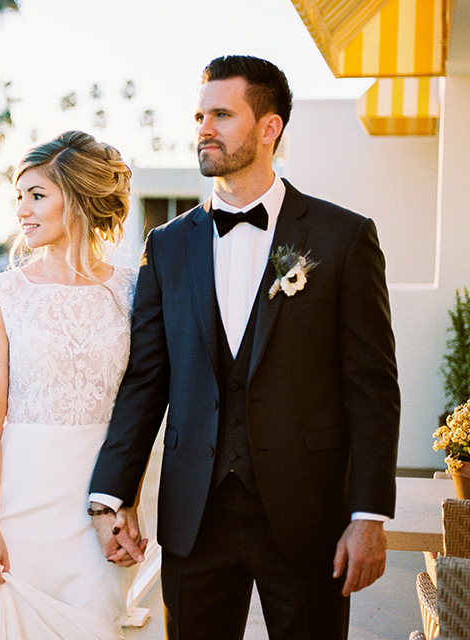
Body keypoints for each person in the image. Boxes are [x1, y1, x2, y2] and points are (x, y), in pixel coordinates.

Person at [88, 55, 400, 640]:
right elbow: (145, 381)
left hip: (307, 516)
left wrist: (368, 515)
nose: (204, 128)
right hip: (193, 517)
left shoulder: (342, 237)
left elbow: (373, 388)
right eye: (200, 115)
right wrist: (112, 494)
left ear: (268, 128)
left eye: (222, 114)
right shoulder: (168, 245)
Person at [0, 130, 142, 639]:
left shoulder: (132, 290)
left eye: (37, 195)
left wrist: (126, 501)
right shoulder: (2, 295)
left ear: (75, 198)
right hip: (19, 510)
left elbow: (143, 406)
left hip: (99, 508)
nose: (23, 211)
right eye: (19, 197)